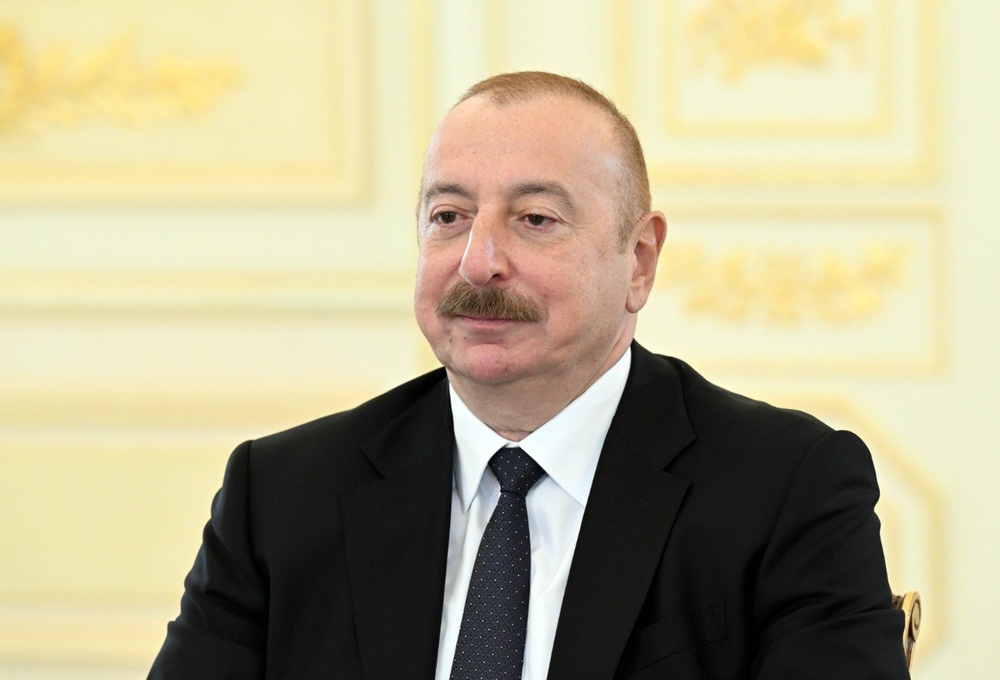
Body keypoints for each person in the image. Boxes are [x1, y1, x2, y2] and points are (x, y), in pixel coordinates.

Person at [149, 71, 908, 679]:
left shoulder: (787, 487)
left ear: (639, 262)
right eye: (448, 216)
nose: (477, 262)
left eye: (535, 219)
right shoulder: (281, 495)